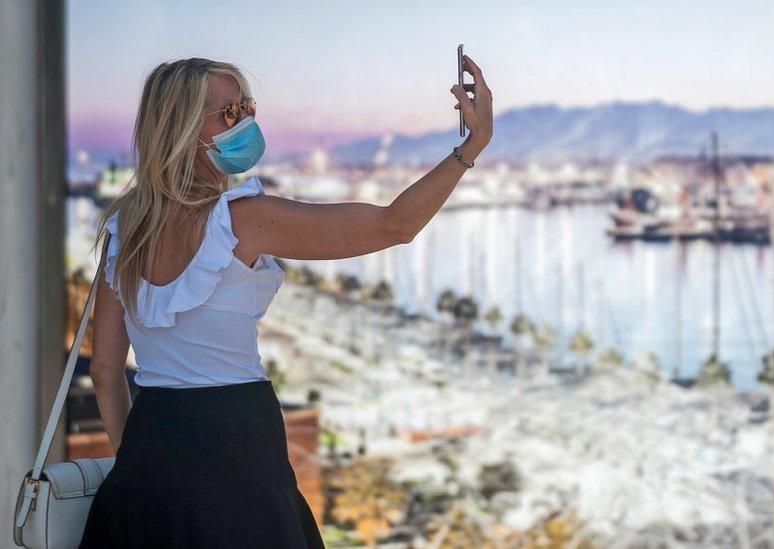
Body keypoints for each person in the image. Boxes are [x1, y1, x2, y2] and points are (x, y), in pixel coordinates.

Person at [79, 55, 492, 548]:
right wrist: (473, 145)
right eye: (229, 113)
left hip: (150, 450)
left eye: (247, 107)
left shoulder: (124, 230)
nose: (247, 122)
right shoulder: (243, 219)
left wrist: (144, 467)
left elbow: (105, 371)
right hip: (238, 442)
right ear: (185, 130)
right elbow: (394, 225)